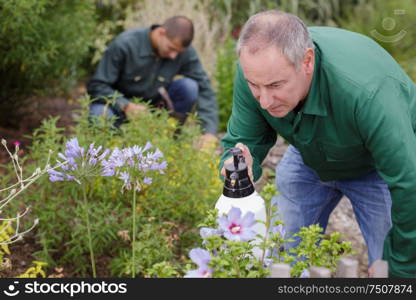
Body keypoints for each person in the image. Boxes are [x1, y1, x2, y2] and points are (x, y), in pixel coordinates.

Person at [219, 10, 416, 277]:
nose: (264, 101)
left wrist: (401, 271)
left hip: (376, 168)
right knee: (281, 257)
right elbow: (245, 139)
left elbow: (409, 182)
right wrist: (237, 164)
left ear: (307, 61)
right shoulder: (255, 72)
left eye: (276, 85)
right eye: (255, 86)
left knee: (390, 265)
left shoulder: (368, 92)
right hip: (307, 158)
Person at [87, 16, 218, 145]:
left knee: (189, 87)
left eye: (178, 52)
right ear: (161, 32)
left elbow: (204, 87)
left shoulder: (182, 52)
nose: (174, 56)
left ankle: (167, 141)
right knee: (100, 116)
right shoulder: (125, 44)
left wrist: (209, 132)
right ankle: (110, 150)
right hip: (117, 108)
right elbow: (97, 85)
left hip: (153, 110)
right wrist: (125, 105)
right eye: (171, 48)